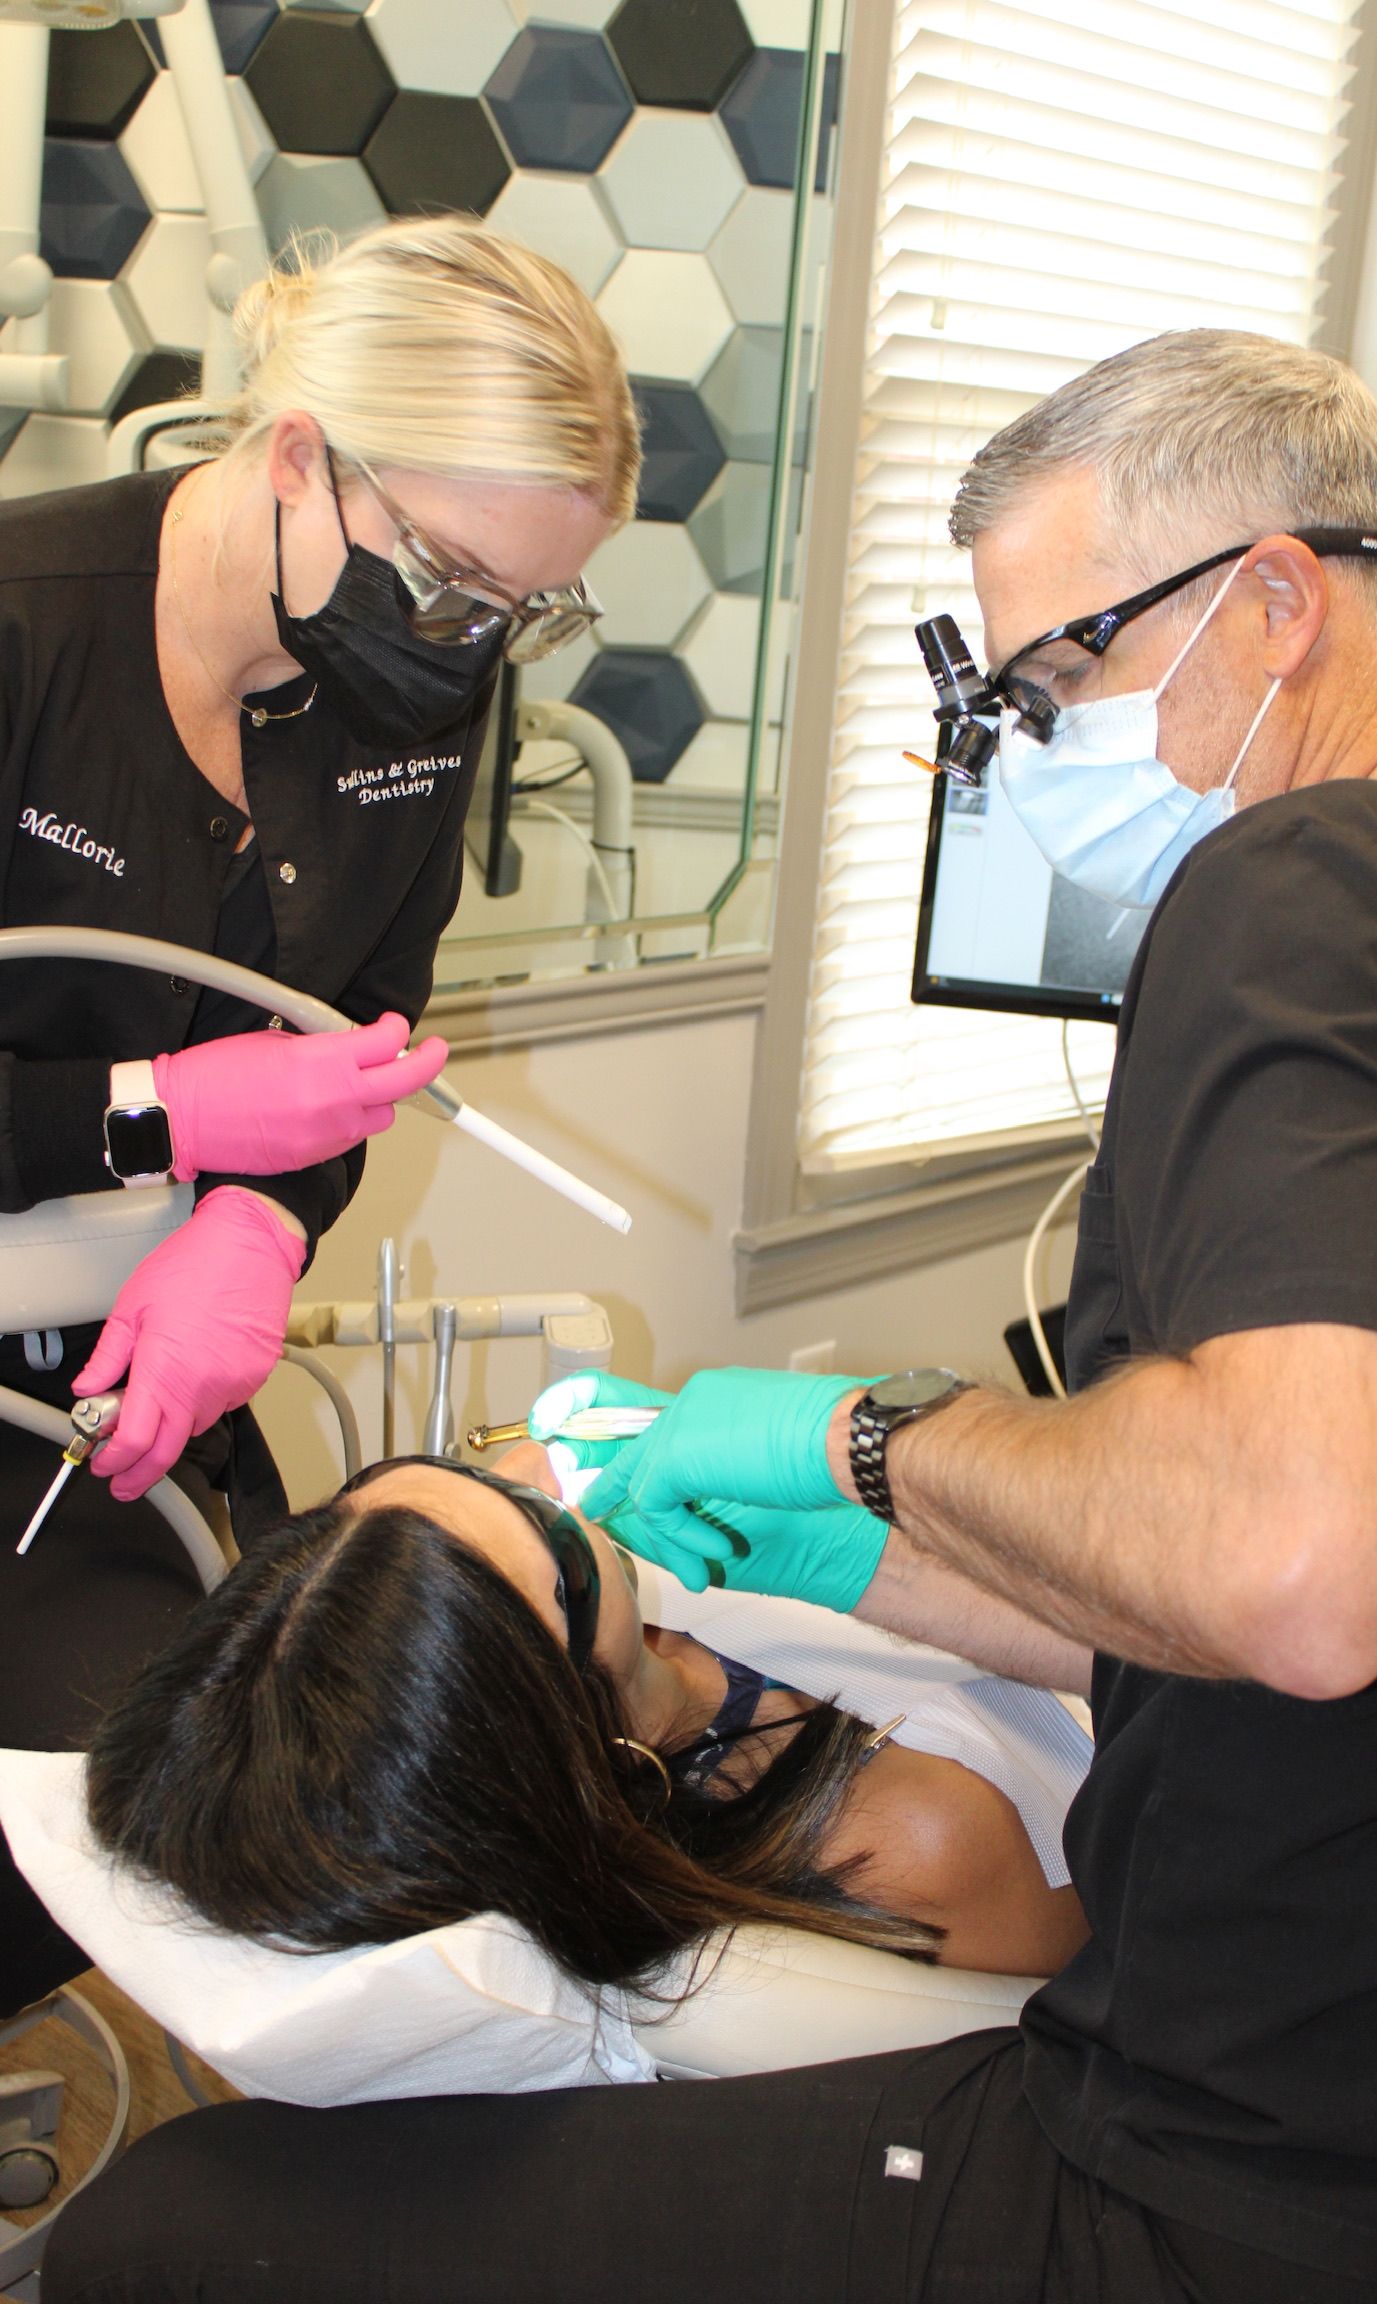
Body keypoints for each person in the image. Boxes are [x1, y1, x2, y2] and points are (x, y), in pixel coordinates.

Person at [43, 329, 1377, 2304]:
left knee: (161, 2235)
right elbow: (1320, 1599)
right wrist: (871, 1546)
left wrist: (864, 1439)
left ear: (1275, 603)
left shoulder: (1310, 883)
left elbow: (1305, 1568)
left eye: (1052, 678)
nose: (1013, 749)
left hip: (1222, 2161)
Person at [0, 214, 637, 2011]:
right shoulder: (25, 629)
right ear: (297, 458)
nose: (473, 645)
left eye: (526, 609)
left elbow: (364, 1034)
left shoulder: (410, 695)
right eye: (449, 583)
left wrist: (262, 1224)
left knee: (205, 1807)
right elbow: (231, 1085)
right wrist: (157, 1113)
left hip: (116, 1401)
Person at [82, 1442, 1089, 1984]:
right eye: (551, 1540)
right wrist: (887, 1491)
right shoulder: (904, 1840)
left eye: (463, 1470)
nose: (538, 1466)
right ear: (564, 1724)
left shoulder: (628, 1576)